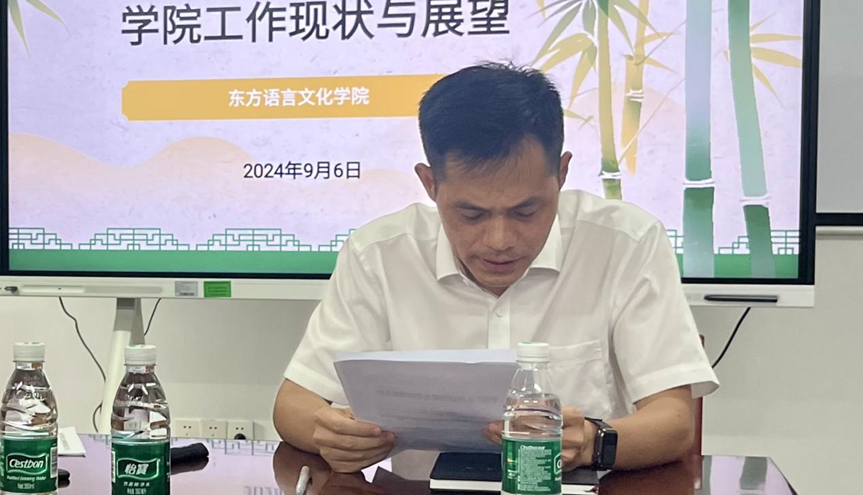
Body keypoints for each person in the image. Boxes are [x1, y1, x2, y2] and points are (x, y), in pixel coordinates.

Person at [273, 63, 718, 474]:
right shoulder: (379, 253)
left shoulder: (625, 243)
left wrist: (591, 442)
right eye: (471, 214)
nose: (499, 239)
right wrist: (334, 434)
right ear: (430, 183)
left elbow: (674, 421)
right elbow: (294, 404)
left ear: (562, 173)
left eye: (526, 211)